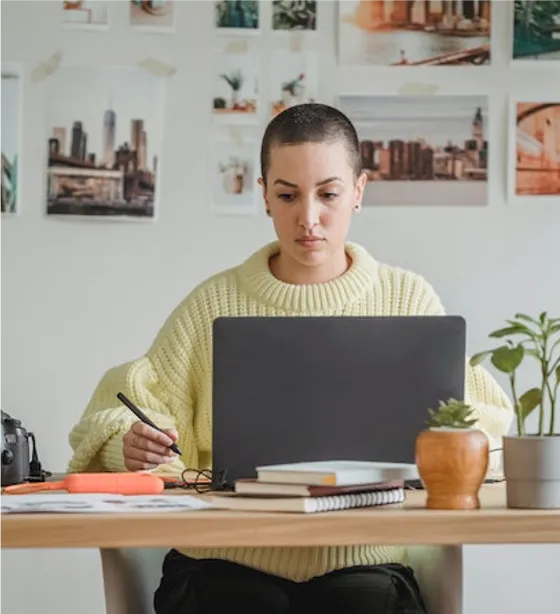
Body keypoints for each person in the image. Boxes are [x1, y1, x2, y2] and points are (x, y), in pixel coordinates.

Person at [67, 103, 513, 614]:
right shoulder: (212, 304)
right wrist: (132, 446)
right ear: (264, 196)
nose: (308, 218)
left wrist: (450, 445)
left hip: (363, 564)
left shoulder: (407, 300)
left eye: (328, 194)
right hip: (223, 562)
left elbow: (484, 422)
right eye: (287, 195)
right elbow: (121, 409)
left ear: (359, 191)